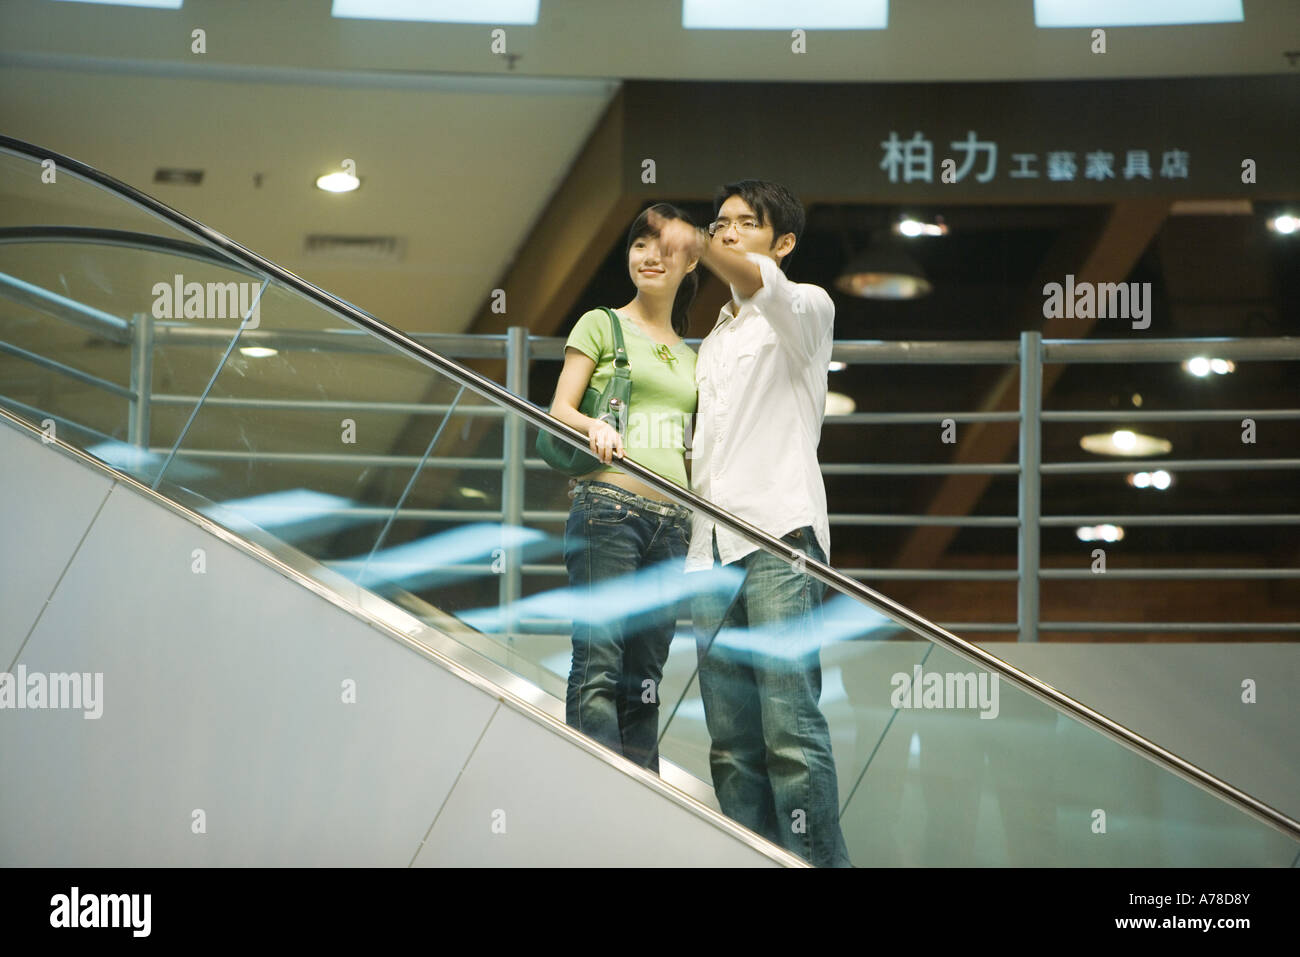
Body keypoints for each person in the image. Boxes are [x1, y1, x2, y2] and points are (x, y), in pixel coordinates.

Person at [649, 180, 851, 867]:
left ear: (783, 242)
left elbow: (763, 285)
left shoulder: (806, 309)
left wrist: (698, 243)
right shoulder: (715, 340)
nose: (726, 232)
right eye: (718, 222)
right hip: (709, 551)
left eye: (743, 224)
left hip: (779, 539)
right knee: (732, 744)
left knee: (791, 730)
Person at [547, 203, 700, 773]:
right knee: (599, 665)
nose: (650, 256)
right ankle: (596, 800)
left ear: (690, 264)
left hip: (673, 526)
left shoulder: (691, 356)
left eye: (666, 247)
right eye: (640, 243)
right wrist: (595, 425)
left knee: (645, 680)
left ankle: (642, 810)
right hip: (609, 510)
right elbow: (560, 408)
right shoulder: (601, 323)